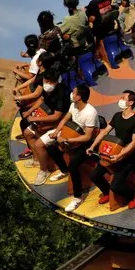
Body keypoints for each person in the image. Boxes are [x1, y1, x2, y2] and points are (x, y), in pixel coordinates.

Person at [36, 84, 99, 212]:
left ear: (79, 97)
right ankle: (63, 170)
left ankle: (77, 197)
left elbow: (87, 137)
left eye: (74, 92)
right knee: (52, 148)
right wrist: (56, 133)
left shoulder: (90, 112)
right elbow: (65, 119)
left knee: (74, 165)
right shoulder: (73, 105)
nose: (72, 93)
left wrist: (67, 140)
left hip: (87, 143)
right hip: (72, 134)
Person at [88, 90, 135, 209]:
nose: (120, 100)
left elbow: (134, 143)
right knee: (94, 175)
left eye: (123, 98)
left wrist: (120, 155)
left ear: (131, 102)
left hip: (128, 157)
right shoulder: (117, 116)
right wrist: (92, 147)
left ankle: (134, 195)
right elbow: (105, 132)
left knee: (116, 186)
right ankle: (107, 192)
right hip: (113, 152)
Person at [21, 68, 70, 184]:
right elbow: (42, 99)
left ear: (56, 82)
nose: (48, 84)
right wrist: (30, 111)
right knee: (27, 133)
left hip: (58, 125)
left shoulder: (62, 94)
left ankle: (44, 171)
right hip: (44, 119)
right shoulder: (45, 88)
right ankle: (37, 159)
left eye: (51, 82)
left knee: (38, 144)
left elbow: (57, 117)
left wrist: (35, 118)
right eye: (46, 80)